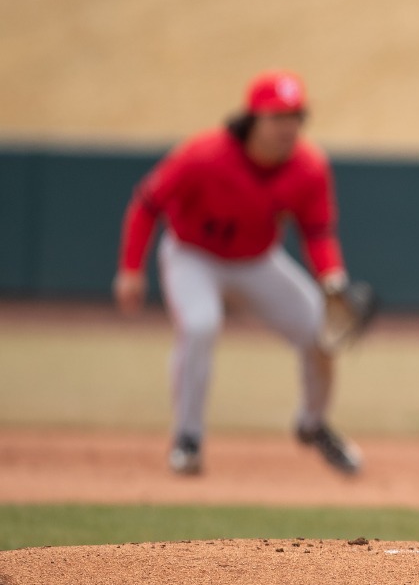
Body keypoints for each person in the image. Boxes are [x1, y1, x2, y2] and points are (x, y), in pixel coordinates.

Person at [115, 70, 362, 477]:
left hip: (256, 261)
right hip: (193, 255)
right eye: (277, 117)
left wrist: (333, 281)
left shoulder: (309, 168)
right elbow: (146, 202)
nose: (288, 127)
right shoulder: (204, 154)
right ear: (252, 118)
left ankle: (313, 424)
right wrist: (130, 267)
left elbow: (317, 233)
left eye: (295, 117)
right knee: (199, 326)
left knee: (323, 328)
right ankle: (187, 440)